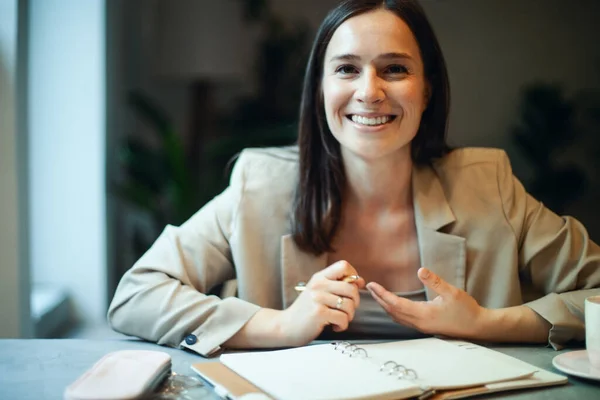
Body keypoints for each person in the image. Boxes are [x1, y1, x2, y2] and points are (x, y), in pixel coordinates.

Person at [108, 0, 600, 357]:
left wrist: (485, 322)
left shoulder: (487, 184)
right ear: (320, 89)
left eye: (395, 69)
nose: (370, 91)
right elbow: (137, 294)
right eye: (346, 69)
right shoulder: (258, 184)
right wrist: (279, 326)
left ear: (426, 91)